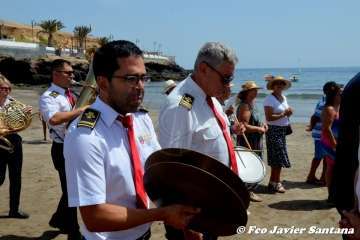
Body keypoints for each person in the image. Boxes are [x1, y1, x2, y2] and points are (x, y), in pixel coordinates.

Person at [63, 40, 199, 240]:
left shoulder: (140, 119)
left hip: (143, 234)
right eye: (130, 79)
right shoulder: (85, 136)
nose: (140, 87)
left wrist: (186, 222)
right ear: (102, 83)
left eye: (143, 78)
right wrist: (162, 214)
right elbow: (95, 217)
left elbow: (160, 175)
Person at [159, 42, 245, 240]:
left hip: (211, 204)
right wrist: (188, 225)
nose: (228, 84)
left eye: (231, 78)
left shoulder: (210, 98)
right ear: (204, 69)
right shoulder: (182, 105)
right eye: (225, 78)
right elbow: (173, 167)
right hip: (192, 213)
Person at [39, 59, 87, 238]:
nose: (72, 76)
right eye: (68, 73)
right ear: (56, 74)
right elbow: (54, 119)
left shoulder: (70, 93)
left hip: (75, 145)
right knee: (72, 191)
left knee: (71, 189)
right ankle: (73, 232)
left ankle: (59, 219)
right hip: (61, 148)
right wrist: (81, 110)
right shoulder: (48, 96)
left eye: (72, 72)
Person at [0, 73, 30, 218]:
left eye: (8, 89)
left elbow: (22, 122)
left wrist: (25, 114)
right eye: (3, 88)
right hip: (0, 142)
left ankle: (14, 210)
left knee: (16, 177)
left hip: (14, 140)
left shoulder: (13, 103)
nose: (6, 91)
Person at [236, 81, 266, 202]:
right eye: (253, 90)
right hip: (248, 140)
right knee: (250, 163)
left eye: (256, 90)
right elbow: (244, 125)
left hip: (256, 138)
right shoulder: (245, 106)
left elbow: (257, 120)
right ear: (247, 92)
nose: (256, 92)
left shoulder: (253, 104)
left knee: (256, 162)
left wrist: (263, 125)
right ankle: (248, 191)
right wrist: (259, 129)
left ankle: (249, 190)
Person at [305, 81, 341, 185]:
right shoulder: (324, 103)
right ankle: (311, 176)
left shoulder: (328, 102)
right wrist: (311, 127)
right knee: (319, 156)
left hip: (323, 133)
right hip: (320, 134)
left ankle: (322, 178)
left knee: (325, 158)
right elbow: (315, 116)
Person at [263, 76, 293, 193]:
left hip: (282, 130)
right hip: (273, 130)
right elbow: (269, 117)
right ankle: (276, 182)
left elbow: (284, 113)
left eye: (282, 84)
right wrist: (284, 114)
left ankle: (273, 182)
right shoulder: (269, 99)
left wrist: (288, 113)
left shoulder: (283, 97)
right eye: (277, 84)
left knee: (278, 158)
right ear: (273, 86)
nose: (280, 85)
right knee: (277, 158)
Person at [320, 83, 341, 202]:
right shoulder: (329, 109)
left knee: (334, 167)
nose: (341, 95)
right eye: (339, 93)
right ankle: (331, 195)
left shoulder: (338, 107)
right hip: (330, 142)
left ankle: (334, 194)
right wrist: (334, 145)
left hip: (336, 141)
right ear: (334, 95)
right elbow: (326, 129)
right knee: (331, 168)